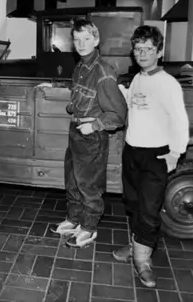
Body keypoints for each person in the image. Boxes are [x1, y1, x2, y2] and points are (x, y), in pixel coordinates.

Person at [112, 25, 189, 287]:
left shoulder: (168, 83)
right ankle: (136, 245)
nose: (142, 53)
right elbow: (137, 106)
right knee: (134, 204)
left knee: (148, 209)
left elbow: (179, 120)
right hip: (132, 151)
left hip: (156, 155)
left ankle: (143, 260)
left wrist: (176, 152)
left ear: (159, 51)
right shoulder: (138, 78)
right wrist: (123, 94)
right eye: (138, 49)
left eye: (148, 49)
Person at [51, 18, 128, 249]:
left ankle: (89, 227)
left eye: (86, 38)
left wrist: (94, 125)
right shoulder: (80, 67)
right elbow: (84, 97)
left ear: (96, 40)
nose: (82, 44)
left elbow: (118, 114)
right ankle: (74, 219)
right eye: (77, 39)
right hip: (76, 131)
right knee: (73, 181)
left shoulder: (103, 71)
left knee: (89, 185)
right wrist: (72, 106)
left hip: (91, 136)